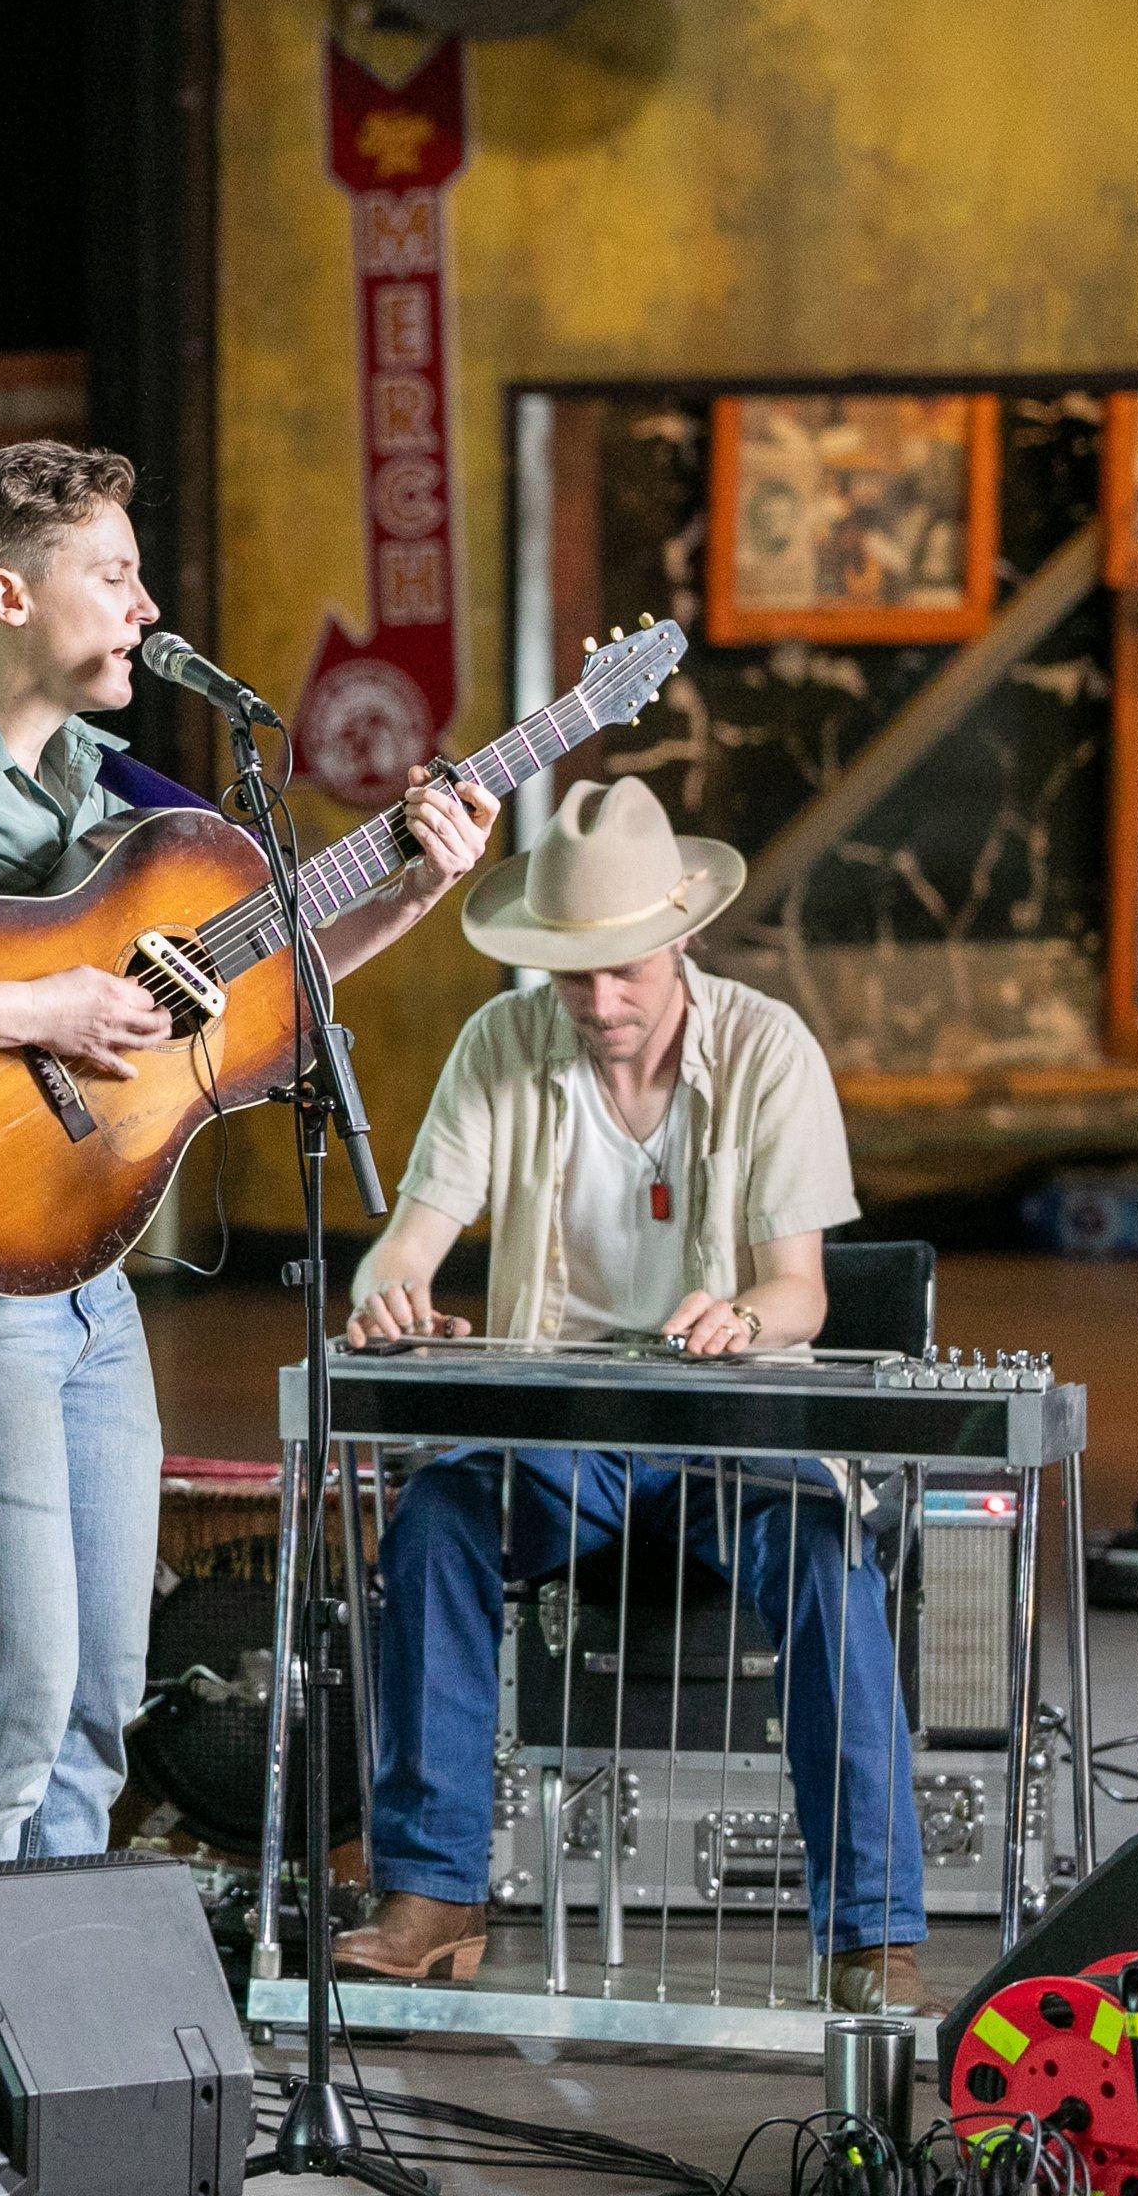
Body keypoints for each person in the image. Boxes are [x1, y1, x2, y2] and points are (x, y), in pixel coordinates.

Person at [0, 439, 495, 1870]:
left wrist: (408, 885)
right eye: (116, 573)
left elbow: (263, 995)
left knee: (92, 1709)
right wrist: (46, 1004)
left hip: (80, 1280)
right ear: (9, 594)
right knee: (3, 1700)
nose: (147, 606)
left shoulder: (108, 789)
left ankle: (57, 2057)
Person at [330, 775, 925, 2012]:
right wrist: (390, 1291)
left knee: (828, 1554)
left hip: (737, 1432)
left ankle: (870, 1937)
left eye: (626, 973)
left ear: (680, 938)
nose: (599, 1002)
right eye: (573, 974)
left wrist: (746, 1316)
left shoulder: (769, 1049)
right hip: (564, 1442)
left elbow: (799, 1293)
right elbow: (408, 1242)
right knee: (438, 1516)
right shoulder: (501, 1043)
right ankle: (434, 1892)